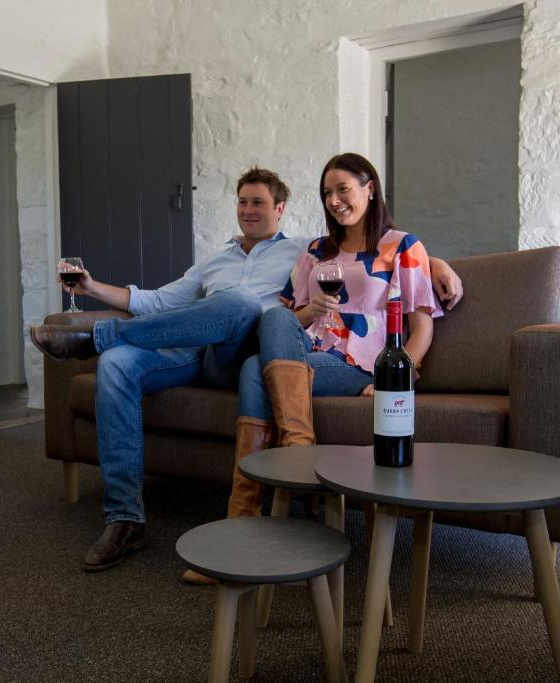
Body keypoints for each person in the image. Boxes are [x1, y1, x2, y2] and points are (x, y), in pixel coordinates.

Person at [31, 166, 462, 573]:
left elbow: (370, 247)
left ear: (280, 209)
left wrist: (437, 262)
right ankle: (125, 518)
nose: (248, 210)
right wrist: (90, 287)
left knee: (242, 303)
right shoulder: (216, 260)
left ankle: (97, 337)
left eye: (258, 202)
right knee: (117, 365)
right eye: (242, 202)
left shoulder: (304, 248)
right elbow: (158, 302)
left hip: (247, 354)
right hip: (197, 353)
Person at [181, 153, 442, 585]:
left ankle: (242, 528)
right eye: (327, 192)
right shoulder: (317, 251)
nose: (335, 200)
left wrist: (394, 382)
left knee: (251, 370)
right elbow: (288, 318)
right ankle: (298, 457)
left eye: (343, 189)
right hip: (308, 352)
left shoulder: (402, 245)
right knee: (272, 325)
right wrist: (311, 310)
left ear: (369, 188)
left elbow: (422, 325)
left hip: (359, 363)